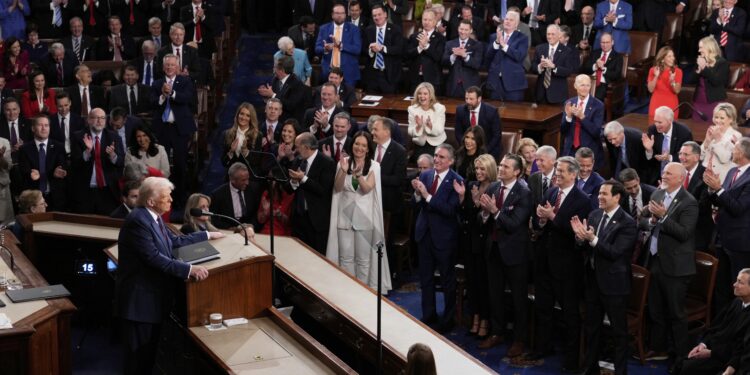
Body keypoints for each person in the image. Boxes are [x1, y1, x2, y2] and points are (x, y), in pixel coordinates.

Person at [116, 177, 225, 374]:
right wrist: (189, 270)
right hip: (139, 304)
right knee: (137, 362)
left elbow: (173, 242)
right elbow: (154, 258)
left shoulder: (153, 218)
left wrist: (207, 235)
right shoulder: (138, 221)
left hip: (152, 301)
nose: (171, 201)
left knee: (147, 359)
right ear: (151, 201)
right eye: (166, 197)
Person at [527, 156, 592, 371]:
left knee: (570, 315)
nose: (558, 174)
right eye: (557, 170)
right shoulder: (552, 191)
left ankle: (571, 360)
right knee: (543, 308)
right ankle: (542, 347)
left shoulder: (582, 199)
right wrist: (542, 219)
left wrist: (553, 217)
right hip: (544, 260)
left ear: (573, 174)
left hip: (566, 266)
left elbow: (576, 231)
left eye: (562, 171)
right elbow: (538, 220)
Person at [571, 179, 636, 375]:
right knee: (592, 329)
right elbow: (582, 248)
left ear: (617, 197)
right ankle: (590, 368)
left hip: (614, 285)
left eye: (604, 194)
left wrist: (592, 239)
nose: (599, 197)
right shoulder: (594, 215)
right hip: (592, 282)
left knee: (618, 332)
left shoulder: (627, 223)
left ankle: (620, 371)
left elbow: (615, 252)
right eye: (599, 193)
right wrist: (580, 238)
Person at [640, 162, 698, 366]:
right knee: (655, 309)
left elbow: (684, 233)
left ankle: (681, 356)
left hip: (676, 267)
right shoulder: (657, 194)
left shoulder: (689, 202)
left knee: (676, 314)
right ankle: (660, 348)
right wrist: (652, 222)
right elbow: (643, 220)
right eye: (664, 172)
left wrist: (663, 218)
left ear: (681, 178)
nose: (664, 176)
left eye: (669, 173)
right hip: (654, 261)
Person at [477, 154, 532, 356]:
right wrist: (484, 212)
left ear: (517, 171)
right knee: (495, 295)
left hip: (515, 253)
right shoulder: (493, 188)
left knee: (518, 299)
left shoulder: (524, 192)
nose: (500, 168)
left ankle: (519, 339)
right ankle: (497, 332)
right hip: (494, 250)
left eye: (506, 166)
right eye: (500, 165)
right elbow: (483, 219)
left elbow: (513, 223)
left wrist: (494, 211)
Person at [326, 130, 392, 292]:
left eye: (363, 145)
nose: (359, 148)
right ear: (352, 144)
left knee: (363, 260)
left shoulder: (374, 166)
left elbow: (368, 188)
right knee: (346, 258)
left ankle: (362, 292)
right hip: (345, 217)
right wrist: (343, 170)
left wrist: (358, 176)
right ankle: (348, 292)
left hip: (364, 219)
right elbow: (338, 188)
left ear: (368, 148)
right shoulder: (343, 162)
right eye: (357, 144)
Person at [412, 143, 463, 333]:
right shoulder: (425, 175)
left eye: (442, 157)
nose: (437, 160)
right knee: (425, 279)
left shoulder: (457, 181)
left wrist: (426, 195)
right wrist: (418, 194)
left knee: (447, 280)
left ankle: (448, 319)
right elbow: (416, 203)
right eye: (436, 156)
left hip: (444, 238)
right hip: (424, 234)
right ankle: (429, 315)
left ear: (450, 161)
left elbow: (450, 210)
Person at [678, 269, 750, 375]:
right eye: (736, 280)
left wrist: (712, 353)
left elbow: (741, 350)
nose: (734, 284)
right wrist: (703, 344)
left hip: (729, 359)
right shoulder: (737, 303)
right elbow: (717, 327)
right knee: (682, 358)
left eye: (740, 282)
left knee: (688, 368)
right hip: (716, 349)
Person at [705, 138, 750, 305]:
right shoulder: (732, 171)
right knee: (721, 286)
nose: (732, 151)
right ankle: (721, 325)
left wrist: (719, 189)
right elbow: (721, 201)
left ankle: (736, 325)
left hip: (739, 243)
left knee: (737, 289)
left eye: (735, 149)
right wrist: (711, 187)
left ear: (743, 153)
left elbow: (738, 208)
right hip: (721, 238)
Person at [457, 154, 495, 339]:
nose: (479, 172)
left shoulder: (495, 188)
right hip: (470, 242)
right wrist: (465, 199)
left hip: (486, 244)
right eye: (477, 169)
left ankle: (485, 320)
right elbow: (466, 216)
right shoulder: (471, 185)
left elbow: (490, 222)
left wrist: (481, 207)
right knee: (472, 283)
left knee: (483, 285)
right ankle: (475, 317)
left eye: (482, 169)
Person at [151, 53, 196, 205]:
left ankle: (179, 199)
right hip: (162, 129)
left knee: (180, 164)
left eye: (173, 65)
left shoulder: (185, 81)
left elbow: (188, 98)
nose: (170, 67)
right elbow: (151, 102)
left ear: (178, 67)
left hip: (179, 129)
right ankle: (162, 196)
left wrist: (172, 93)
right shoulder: (157, 84)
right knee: (162, 164)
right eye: (167, 65)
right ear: (163, 67)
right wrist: (163, 96)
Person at [287, 132, 336, 254]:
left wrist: (303, 179)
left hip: (316, 221)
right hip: (298, 219)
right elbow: (288, 189)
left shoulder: (327, 163)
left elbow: (322, 190)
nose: (296, 150)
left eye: (297, 146)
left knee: (316, 257)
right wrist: (294, 182)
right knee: (297, 255)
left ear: (306, 147)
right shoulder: (298, 161)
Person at [71, 108, 125, 215]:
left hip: (108, 191)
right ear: (89, 120)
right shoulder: (78, 136)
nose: (99, 121)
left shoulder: (114, 137)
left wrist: (113, 156)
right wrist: (87, 151)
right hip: (86, 191)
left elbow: (121, 162)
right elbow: (74, 164)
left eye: (102, 118)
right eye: (96, 118)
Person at [370, 116, 407, 275]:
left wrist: (374, 176)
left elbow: (398, 180)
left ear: (386, 131)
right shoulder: (370, 147)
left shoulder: (399, 151)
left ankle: (387, 276)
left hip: (388, 207)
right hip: (369, 203)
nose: (372, 132)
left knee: (386, 244)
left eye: (376, 129)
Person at [17, 115, 68, 211]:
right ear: (33, 128)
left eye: (46, 125)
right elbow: (23, 172)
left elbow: (62, 168)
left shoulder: (59, 147)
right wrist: (30, 174)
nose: (44, 128)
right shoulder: (24, 149)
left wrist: (59, 172)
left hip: (56, 197)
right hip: (34, 200)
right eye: (40, 125)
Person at [561, 74, 605, 170]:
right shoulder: (569, 103)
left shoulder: (598, 105)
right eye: (582, 85)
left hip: (588, 151)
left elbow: (596, 132)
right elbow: (563, 130)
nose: (585, 88)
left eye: (587, 85)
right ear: (575, 86)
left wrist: (582, 117)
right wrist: (568, 117)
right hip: (570, 150)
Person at [642, 106, 694, 186]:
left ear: (670, 121)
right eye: (655, 121)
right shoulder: (652, 130)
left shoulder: (684, 133)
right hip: (656, 175)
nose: (656, 125)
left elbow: (688, 158)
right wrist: (649, 150)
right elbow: (650, 159)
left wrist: (669, 158)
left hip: (676, 176)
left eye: (660, 122)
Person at [485, 11, 529, 102]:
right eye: (506, 19)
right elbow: (488, 57)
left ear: (516, 24)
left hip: (514, 84)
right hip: (495, 82)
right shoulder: (494, 36)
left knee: (514, 112)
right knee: (494, 111)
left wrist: (504, 46)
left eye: (511, 20)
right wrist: (497, 42)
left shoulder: (522, 38)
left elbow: (519, 56)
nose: (507, 21)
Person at [679, 141, 714, 252]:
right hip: (676, 228)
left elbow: (702, 206)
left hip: (697, 231)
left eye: (686, 154)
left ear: (696, 157)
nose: (682, 157)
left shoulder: (706, 175)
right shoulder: (676, 171)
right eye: (680, 154)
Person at [315, 3, 362, 86]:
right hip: (329, 73)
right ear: (332, 15)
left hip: (348, 73)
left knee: (348, 98)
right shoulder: (324, 28)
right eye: (337, 13)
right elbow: (317, 48)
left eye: (342, 13)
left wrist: (341, 45)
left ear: (345, 14)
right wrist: (325, 49)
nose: (340, 16)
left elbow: (357, 49)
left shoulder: (354, 29)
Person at [363, 4, 405, 94]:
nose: (377, 17)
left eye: (379, 14)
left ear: (385, 14)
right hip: (372, 75)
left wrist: (383, 48)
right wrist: (371, 50)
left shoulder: (396, 29)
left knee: (389, 104)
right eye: (374, 15)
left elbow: (399, 49)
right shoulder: (368, 30)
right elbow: (363, 50)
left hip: (389, 75)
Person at [532, 24, 577, 105]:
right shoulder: (539, 48)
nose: (550, 36)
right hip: (540, 94)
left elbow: (569, 71)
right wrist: (540, 66)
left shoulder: (567, 51)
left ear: (559, 35)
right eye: (548, 34)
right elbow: (533, 67)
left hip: (557, 95)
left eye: (553, 34)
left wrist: (553, 67)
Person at [209, 162, 262, 230]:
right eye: (243, 180)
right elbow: (213, 218)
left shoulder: (254, 189)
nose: (247, 183)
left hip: (250, 230)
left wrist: (252, 225)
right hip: (229, 232)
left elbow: (257, 213)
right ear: (232, 180)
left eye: (248, 179)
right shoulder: (218, 194)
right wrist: (229, 228)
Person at [257, 55, 310, 123]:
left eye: (275, 67)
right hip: (275, 119)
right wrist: (267, 95)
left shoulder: (297, 84)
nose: (273, 69)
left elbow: (290, 105)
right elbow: (273, 98)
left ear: (282, 70)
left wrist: (273, 95)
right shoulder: (275, 80)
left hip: (289, 121)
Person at [455, 86, 502, 160]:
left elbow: (497, 135)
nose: (468, 101)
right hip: (468, 148)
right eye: (466, 98)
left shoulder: (492, 112)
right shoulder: (460, 110)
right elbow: (458, 133)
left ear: (479, 99)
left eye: (471, 99)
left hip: (488, 149)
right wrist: (467, 147)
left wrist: (484, 151)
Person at [406, 9, 446, 93]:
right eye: (424, 19)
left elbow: (438, 57)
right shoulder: (414, 36)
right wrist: (419, 48)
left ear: (435, 22)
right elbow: (407, 55)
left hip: (432, 80)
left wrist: (426, 46)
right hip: (415, 79)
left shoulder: (440, 38)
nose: (426, 22)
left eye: (429, 20)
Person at [702, 102, 744, 183]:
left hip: (721, 178)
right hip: (705, 173)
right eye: (716, 117)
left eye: (722, 118)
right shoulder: (712, 130)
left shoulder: (736, 136)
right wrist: (707, 142)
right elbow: (700, 156)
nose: (718, 121)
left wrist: (717, 140)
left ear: (731, 119)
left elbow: (725, 159)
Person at [442, 19, 483, 99]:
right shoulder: (449, 44)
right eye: (461, 29)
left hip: (470, 85)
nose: (463, 32)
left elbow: (477, 64)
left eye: (466, 30)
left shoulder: (477, 45)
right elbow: (443, 61)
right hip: (453, 85)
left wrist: (465, 56)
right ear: (458, 29)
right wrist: (453, 56)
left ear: (471, 31)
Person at [408, 82, 446, 163]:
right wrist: (418, 126)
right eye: (419, 93)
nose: (422, 96)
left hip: (437, 143)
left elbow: (439, 130)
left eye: (425, 94)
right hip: (420, 144)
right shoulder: (412, 109)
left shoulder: (440, 108)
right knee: (421, 163)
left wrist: (430, 126)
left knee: (433, 163)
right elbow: (410, 131)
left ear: (430, 95)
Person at [694, 36, 729, 123]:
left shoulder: (722, 63)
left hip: (713, 103)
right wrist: (698, 71)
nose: (699, 50)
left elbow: (716, 81)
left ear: (709, 47)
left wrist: (704, 68)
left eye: (701, 47)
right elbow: (693, 81)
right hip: (698, 102)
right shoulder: (701, 60)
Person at [582, 32, 623, 103]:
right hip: (590, 82)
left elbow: (616, 75)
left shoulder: (617, 57)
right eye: (602, 42)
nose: (605, 45)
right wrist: (595, 66)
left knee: (594, 98)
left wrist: (603, 68)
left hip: (604, 84)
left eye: (607, 42)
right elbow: (584, 68)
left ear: (612, 42)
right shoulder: (595, 53)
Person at [221, 102, 262, 170]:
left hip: (248, 176)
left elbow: (256, 162)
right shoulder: (227, 134)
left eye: (248, 115)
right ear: (237, 115)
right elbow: (224, 163)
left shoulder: (257, 135)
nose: (243, 117)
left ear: (251, 118)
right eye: (242, 114)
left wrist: (245, 151)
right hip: (231, 176)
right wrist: (231, 151)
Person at [647, 46, 683, 123]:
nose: (673, 58)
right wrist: (656, 76)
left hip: (671, 105)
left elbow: (677, 91)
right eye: (669, 56)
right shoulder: (653, 70)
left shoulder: (678, 71)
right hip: (656, 104)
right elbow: (650, 89)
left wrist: (672, 81)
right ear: (663, 59)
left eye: (673, 56)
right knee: (654, 129)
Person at [0, 135, 12, 224]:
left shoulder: (4, 142)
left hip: (2, 187)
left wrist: (1, 158)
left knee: (4, 223)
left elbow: (8, 166)